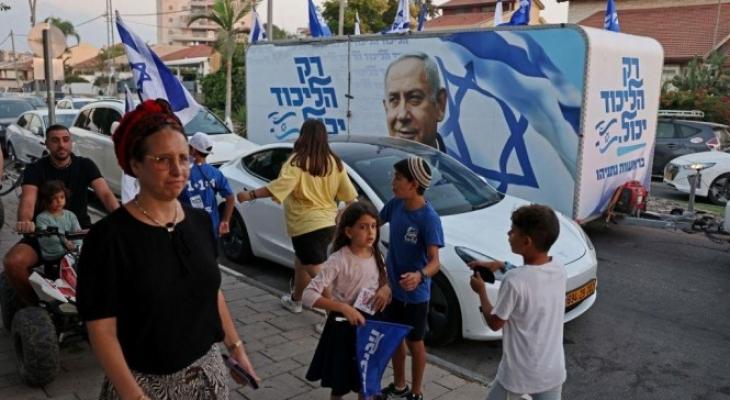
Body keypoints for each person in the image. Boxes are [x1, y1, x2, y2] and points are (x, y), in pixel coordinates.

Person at [76, 99, 258, 400]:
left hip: (208, 378)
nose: (178, 170)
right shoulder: (108, 238)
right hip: (143, 385)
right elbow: (101, 329)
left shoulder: (200, 222)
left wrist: (237, 349)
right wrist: (135, 396)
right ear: (135, 164)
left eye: (183, 158)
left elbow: (212, 292)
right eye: (162, 159)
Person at [237, 119, 358, 314]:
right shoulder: (334, 163)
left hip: (305, 226)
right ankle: (296, 300)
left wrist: (249, 195)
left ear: (303, 136)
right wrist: (342, 214)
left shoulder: (297, 162)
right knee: (302, 263)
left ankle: (335, 315)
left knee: (318, 274)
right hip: (328, 225)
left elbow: (278, 186)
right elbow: (351, 198)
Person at [3, 124, 119, 304]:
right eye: (55, 140)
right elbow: (28, 199)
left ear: (71, 142)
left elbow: (105, 194)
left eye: (65, 140)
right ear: (47, 144)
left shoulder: (85, 165)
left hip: (80, 232)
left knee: (118, 258)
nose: (61, 145)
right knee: (13, 262)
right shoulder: (35, 169)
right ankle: (39, 307)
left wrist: (123, 218)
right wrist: (25, 221)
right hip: (44, 233)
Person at [469, 205, 566, 400]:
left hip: (518, 374)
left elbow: (495, 323)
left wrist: (481, 292)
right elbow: (533, 275)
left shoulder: (513, 281)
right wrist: (501, 265)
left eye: (512, 231)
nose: (508, 234)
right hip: (552, 371)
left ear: (526, 241)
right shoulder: (558, 268)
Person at [302, 201, 392, 399]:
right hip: (343, 327)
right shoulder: (339, 259)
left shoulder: (376, 254)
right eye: (363, 227)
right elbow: (308, 295)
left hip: (369, 327)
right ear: (349, 232)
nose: (370, 232)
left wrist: (386, 289)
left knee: (365, 380)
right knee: (339, 383)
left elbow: (385, 281)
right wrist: (343, 307)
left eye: (373, 226)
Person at [379, 157, 444, 400]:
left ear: (414, 184)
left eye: (398, 178)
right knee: (395, 338)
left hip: (415, 296)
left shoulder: (429, 218)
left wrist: (419, 275)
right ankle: (399, 386)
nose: (393, 183)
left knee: (415, 343)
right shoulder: (395, 204)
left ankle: (416, 393)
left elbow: (435, 262)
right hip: (392, 289)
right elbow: (373, 222)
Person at [383, 53, 448, 152]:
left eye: (414, 98)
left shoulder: (456, 163)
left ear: (440, 105)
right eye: (394, 100)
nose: (402, 115)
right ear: (386, 108)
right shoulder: (369, 162)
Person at [179, 132, 235, 239]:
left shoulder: (181, 173)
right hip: (212, 228)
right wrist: (225, 221)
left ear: (193, 150)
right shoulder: (215, 173)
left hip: (186, 229)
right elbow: (230, 197)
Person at [34, 180, 82, 263]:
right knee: (51, 237)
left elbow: (77, 232)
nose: (59, 201)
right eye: (54, 198)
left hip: (72, 251)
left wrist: (76, 246)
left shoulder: (70, 215)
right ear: (46, 200)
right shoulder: (42, 218)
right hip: (53, 254)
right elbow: (48, 235)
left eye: (62, 197)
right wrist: (64, 241)